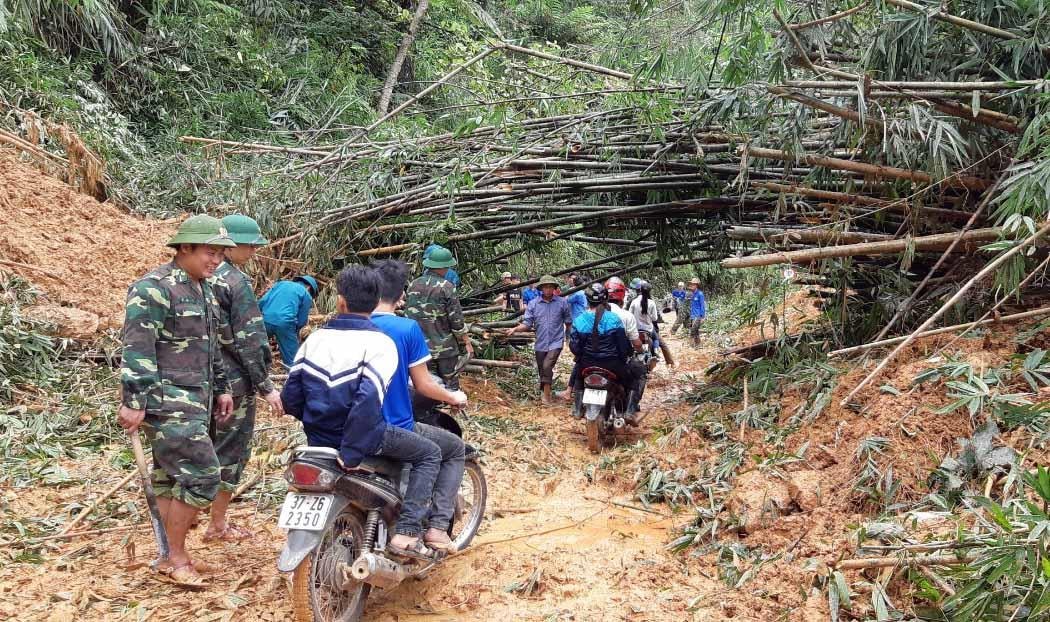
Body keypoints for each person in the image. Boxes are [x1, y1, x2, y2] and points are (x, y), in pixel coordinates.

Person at [281, 265, 442, 559]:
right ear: (379, 298)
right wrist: (351, 452)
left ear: (340, 301)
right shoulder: (380, 343)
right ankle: (407, 533)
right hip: (364, 440)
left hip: (318, 443)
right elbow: (367, 404)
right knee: (430, 453)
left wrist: (317, 429)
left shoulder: (315, 339)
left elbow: (290, 398)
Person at [118, 214, 236, 586]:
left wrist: (222, 387)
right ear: (184, 248)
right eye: (209, 252)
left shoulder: (204, 288)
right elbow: (137, 348)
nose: (216, 261)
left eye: (220, 254)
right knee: (203, 475)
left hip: (196, 399)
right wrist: (134, 400)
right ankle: (177, 555)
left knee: (172, 478)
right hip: (166, 400)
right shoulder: (153, 288)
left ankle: (170, 556)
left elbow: (210, 345)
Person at [370, 260, 469, 551]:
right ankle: (432, 529)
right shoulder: (405, 328)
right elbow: (424, 385)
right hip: (391, 425)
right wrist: (453, 397)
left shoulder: (349, 326)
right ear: (401, 295)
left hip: (344, 424)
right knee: (450, 449)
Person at [206, 214, 285, 542]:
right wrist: (265, 385)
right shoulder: (234, 283)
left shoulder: (197, 275)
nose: (254, 249)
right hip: (233, 383)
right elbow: (249, 340)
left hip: (198, 382)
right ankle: (218, 524)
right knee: (231, 452)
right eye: (249, 244)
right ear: (231, 244)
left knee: (202, 447)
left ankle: (192, 512)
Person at [406, 247, 473, 390]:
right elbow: (456, 321)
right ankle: (451, 409)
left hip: (420, 348)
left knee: (426, 385)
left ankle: (429, 411)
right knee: (450, 385)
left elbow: (409, 316)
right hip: (445, 348)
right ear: (443, 267)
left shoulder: (413, 284)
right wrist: (466, 341)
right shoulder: (447, 287)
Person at [505, 275, 572, 404]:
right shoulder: (533, 304)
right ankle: (545, 389)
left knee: (547, 365)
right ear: (541, 288)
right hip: (540, 342)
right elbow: (527, 324)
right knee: (542, 369)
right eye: (545, 287)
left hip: (556, 341)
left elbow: (568, 322)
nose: (548, 289)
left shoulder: (562, 302)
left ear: (554, 288)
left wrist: (570, 338)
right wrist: (515, 329)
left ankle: (546, 397)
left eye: (550, 287)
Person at [568, 284, 634, 413]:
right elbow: (623, 346)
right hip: (612, 365)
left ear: (587, 300)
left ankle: (577, 409)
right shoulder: (614, 319)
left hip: (587, 364)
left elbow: (575, 348)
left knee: (578, 379)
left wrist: (583, 355)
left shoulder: (579, 320)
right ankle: (628, 412)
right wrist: (624, 357)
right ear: (605, 299)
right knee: (631, 381)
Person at [259, 274, 318, 367]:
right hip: (285, 323)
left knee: (257, 349)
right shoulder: (306, 294)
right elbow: (301, 320)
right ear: (309, 288)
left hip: (265, 319)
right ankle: (292, 375)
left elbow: (262, 301)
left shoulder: (280, 284)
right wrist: (296, 334)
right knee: (292, 359)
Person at [688, 277, 707, 346]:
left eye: (693, 284)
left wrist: (703, 316)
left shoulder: (700, 294)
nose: (691, 286)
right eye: (691, 284)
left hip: (698, 315)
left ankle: (691, 345)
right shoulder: (692, 294)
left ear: (696, 285)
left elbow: (703, 305)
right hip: (693, 315)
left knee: (692, 331)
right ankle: (698, 344)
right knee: (695, 331)